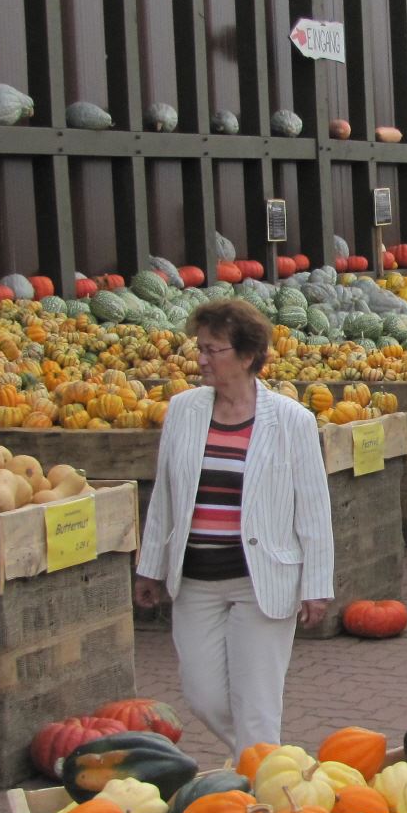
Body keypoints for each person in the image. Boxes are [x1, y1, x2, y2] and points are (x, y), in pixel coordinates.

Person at [134, 300, 333, 751]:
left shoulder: (292, 421)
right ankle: (266, 761)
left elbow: (313, 509)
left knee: (257, 704)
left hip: (259, 581)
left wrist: (316, 585)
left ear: (246, 356)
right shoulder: (182, 410)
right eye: (199, 348)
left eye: (213, 349)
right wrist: (150, 567)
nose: (201, 359)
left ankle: (263, 777)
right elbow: (164, 496)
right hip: (196, 580)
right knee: (202, 696)